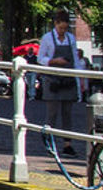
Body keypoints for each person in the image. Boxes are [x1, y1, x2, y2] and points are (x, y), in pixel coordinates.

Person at [34, 10, 85, 150]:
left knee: (67, 113)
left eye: (65, 28)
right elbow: (40, 59)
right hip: (53, 79)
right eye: (60, 28)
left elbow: (75, 60)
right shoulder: (47, 38)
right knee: (52, 112)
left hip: (68, 79)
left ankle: (67, 144)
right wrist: (53, 61)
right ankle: (49, 140)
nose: (63, 31)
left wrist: (80, 79)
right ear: (55, 24)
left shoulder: (70, 38)